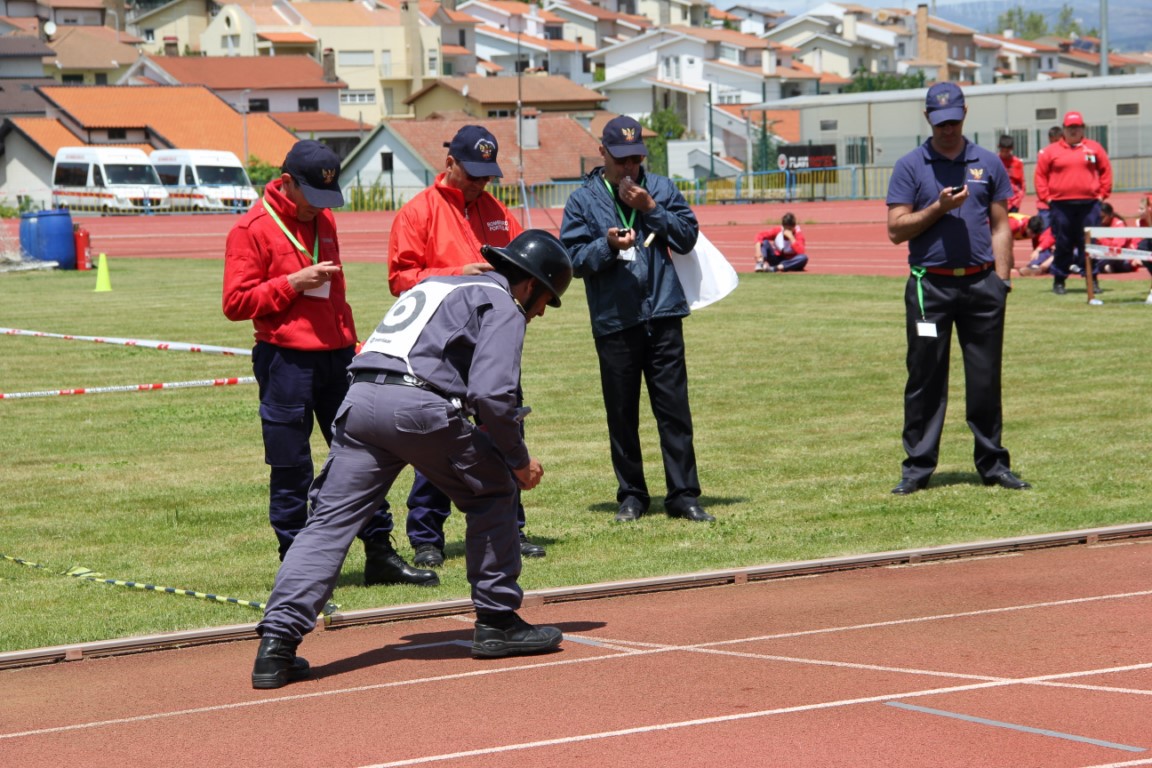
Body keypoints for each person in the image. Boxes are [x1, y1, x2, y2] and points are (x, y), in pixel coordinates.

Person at [250, 230, 573, 689]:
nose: (540, 312)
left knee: (326, 525)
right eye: (544, 300)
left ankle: (276, 647)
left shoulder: (439, 284)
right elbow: (492, 394)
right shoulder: (504, 304)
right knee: (495, 489)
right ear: (528, 285)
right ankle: (498, 622)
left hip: (359, 401)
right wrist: (518, 462)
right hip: (418, 407)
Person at [223, 139, 436, 588]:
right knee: (291, 464)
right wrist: (291, 283)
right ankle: (295, 567)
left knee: (365, 455)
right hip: (286, 363)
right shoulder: (252, 229)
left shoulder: (324, 219)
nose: (317, 208)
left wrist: (352, 342)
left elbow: (335, 294)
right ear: (286, 184)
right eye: (311, 198)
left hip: (339, 358)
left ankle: (379, 553)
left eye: (326, 198)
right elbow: (236, 302)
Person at [387, 125, 545, 567]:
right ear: (449, 163)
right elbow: (401, 281)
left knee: (504, 424)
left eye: (487, 175)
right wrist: (458, 273)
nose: (480, 183)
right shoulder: (417, 213)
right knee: (437, 437)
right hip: (443, 350)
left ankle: (511, 529)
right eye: (472, 173)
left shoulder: (498, 212)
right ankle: (426, 537)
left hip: (492, 342)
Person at [559, 115, 712, 523]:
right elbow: (572, 260)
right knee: (622, 414)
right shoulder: (582, 200)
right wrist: (606, 246)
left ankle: (683, 495)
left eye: (636, 158)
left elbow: (687, 236)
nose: (630, 168)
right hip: (615, 320)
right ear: (603, 152)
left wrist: (651, 209)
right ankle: (632, 495)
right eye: (622, 159)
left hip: (662, 314)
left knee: (674, 411)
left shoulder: (659, 188)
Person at [885, 82, 1029, 495]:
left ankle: (993, 464)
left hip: (982, 286)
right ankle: (917, 468)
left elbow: (1002, 224)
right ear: (927, 117)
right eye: (939, 121)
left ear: (965, 113)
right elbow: (896, 230)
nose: (947, 129)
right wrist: (937, 209)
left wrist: (1001, 280)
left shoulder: (987, 162)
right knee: (925, 378)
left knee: (985, 378)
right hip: (930, 288)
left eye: (954, 121)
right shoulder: (911, 166)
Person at [1034, 111, 1112, 295]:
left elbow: (1105, 171)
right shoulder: (1051, 151)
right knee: (1063, 243)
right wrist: (1047, 197)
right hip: (1061, 205)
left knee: (1090, 244)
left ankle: (1092, 280)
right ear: (1064, 129)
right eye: (1070, 128)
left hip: (1089, 204)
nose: (1073, 131)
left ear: (1083, 128)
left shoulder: (1094, 148)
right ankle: (1059, 281)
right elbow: (1040, 176)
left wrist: (1102, 194)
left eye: (1077, 127)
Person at [1093, 202, 1139, 274]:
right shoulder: (1098, 224)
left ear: (1111, 215)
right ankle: (1104, 267)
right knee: (1078, 253)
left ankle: (1102, 266)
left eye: (1102, 217)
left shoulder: (1119, 225)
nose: (1100, 221)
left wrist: (1101, 239)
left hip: (1122, 257)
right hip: (1103, 255)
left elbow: (1117, 248)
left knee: (1114, 257)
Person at [1036, 126, 1064, 230]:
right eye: (1053, 141)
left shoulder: (1068, 152)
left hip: (1063, 202)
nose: (1055, 144)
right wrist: (1046, 198)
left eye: (1058, 141)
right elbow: (1040, 176)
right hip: (1046, 204)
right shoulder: (1044, 153)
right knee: (1044, 232)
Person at [997, 135, 1025, 213]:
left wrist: (1018, 200)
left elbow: (1022, 184)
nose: (1005, 154)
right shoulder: (995, 161)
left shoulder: (1017, 162)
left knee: (1013, 224)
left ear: (1011, 149)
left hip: (1014, 202)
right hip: (998, 200)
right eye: (1003, 151)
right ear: (999, 147)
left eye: (1007, 151)